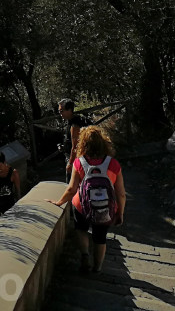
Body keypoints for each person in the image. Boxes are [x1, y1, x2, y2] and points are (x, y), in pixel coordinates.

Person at [47, 126, 126, 274]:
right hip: (106, 208)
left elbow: (71, 189)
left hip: (82, 206)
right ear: (104, 142)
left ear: (82, 143)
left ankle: (84, 254)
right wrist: (120, 212)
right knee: (100, 238)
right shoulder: (113, 164)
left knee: (81, 229)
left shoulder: (79, 163)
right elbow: (121, 193)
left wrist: (59, 202)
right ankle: (97, 268)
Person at [58, 99, 87, 181]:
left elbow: (76, 146)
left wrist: (70, 164)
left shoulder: (75, 124)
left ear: (70, 110)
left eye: (62, 111)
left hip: (76, 160)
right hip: (76, 158)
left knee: (71, 183)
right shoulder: (71, 121)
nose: (60, 114)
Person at [0, 150, 21, 216]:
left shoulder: (13, 173)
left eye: (0, 165)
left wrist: (19, 206)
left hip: (9, 206)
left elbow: (18, 190)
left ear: (4, 162)